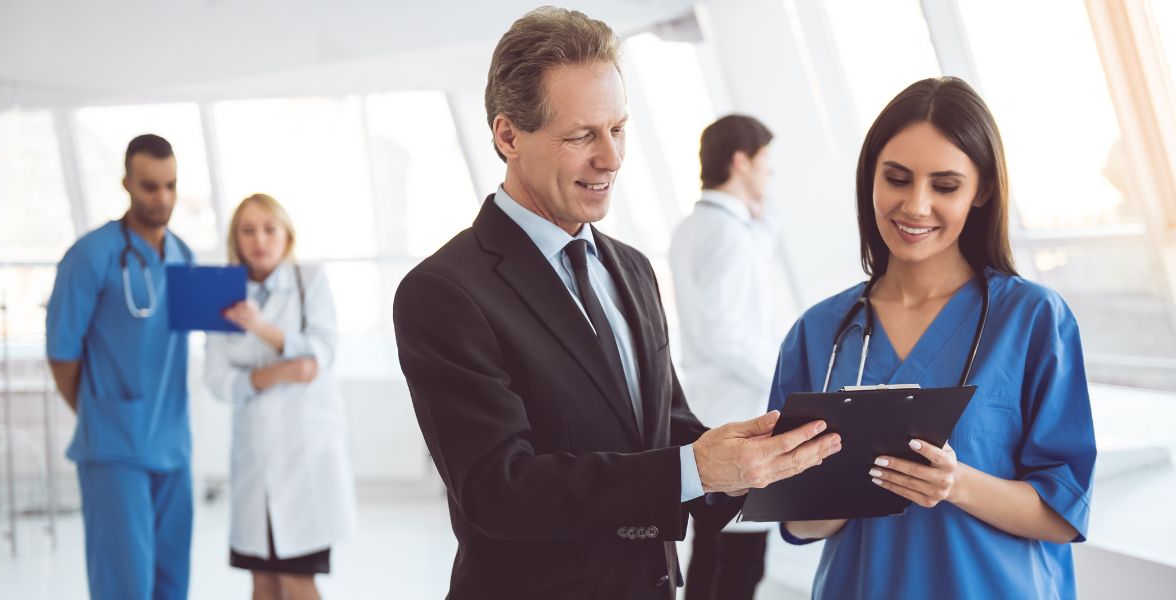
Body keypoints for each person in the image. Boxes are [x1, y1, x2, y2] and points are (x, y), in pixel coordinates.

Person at [392, 7, 841, 599]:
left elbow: (666, 430)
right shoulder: (445, 292)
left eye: (619, 128)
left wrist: (785, 476)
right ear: (508, 136)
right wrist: (696, 468)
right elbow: (498, 490)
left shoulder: (631, 268)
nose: (612, 158)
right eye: (582, 136)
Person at [771, 77, 1096, 598]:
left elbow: (1064, 513)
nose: (916, 206)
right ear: (870, 179)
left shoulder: (1032, 318)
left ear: (981, 190)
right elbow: (799, 521)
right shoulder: (819, 332)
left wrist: (956, 483)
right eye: (896, 179)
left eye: (945, 186)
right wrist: (828, 495)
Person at [46, 134, 195, 600]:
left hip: (173, 446)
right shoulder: (91, 255)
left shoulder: (184, 256)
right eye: (150, 186)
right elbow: (62, 353)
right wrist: (99, 411)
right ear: (127, 183)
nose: (162, 197)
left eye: (170, 185)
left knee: (172, 586)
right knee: (125, 588)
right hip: (114, 450)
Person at [670, 114, 799, 600]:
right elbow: (724, 330)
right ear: (741, 161)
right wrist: (783, 380)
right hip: (741, 408)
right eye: (765, 162)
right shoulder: (727, 234)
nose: (769, 174)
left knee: (712, 552)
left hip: (711, 406)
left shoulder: (700, 227)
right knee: (740, 566)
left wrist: (763, 222)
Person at [204, 194, 356, 600]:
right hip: (255, 460)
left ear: (287, 235)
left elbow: (319, 355)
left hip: (305, 459)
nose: (260, 240)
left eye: (269, 229)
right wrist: (276, 373)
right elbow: (218, 379)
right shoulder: (221, 292)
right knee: (263, 583)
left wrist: (259, 327)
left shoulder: (310, 281)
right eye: (248, 230)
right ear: (235, 239)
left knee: (297, 581)